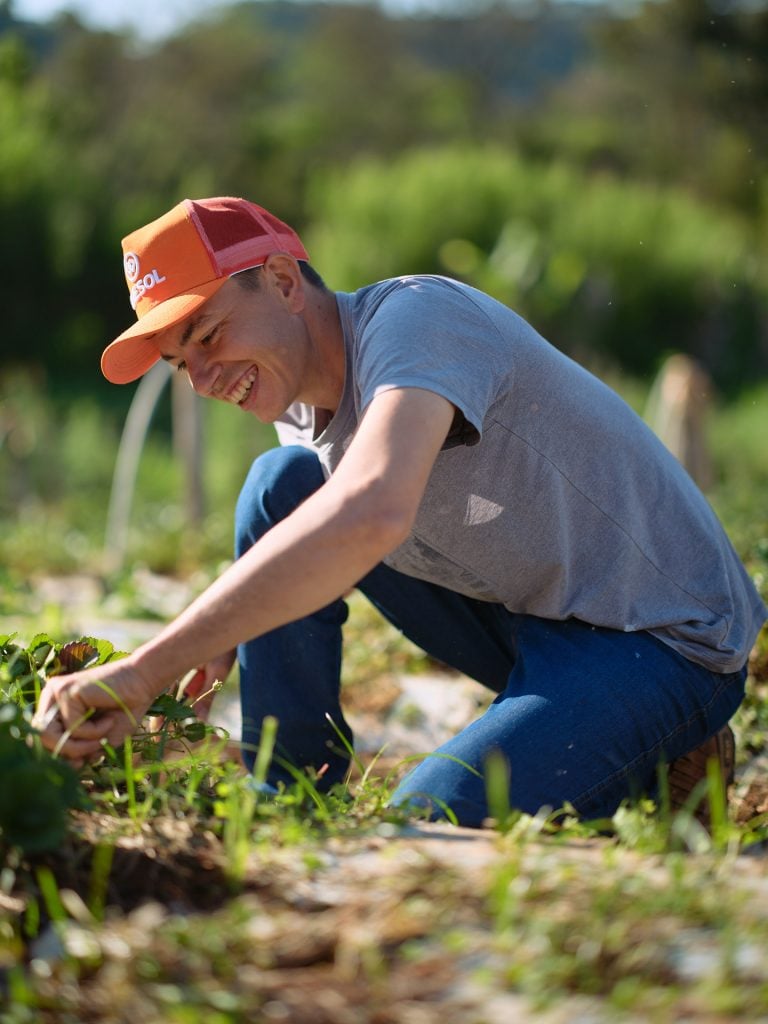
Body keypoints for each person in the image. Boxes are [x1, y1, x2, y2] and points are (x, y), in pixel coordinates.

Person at [35, 196, 767, 827]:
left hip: (659, 637)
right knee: (282, 483)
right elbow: (316, 521)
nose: (199, 378)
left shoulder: (417, 322)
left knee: (431, 818)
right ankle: (290, 793)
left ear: (284, 281)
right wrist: (222, 631)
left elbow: (372, 511)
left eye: (208, 336)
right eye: (179, 362)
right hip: (534, 618)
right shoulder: (300, 406)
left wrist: (149, 667)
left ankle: (665, 741)